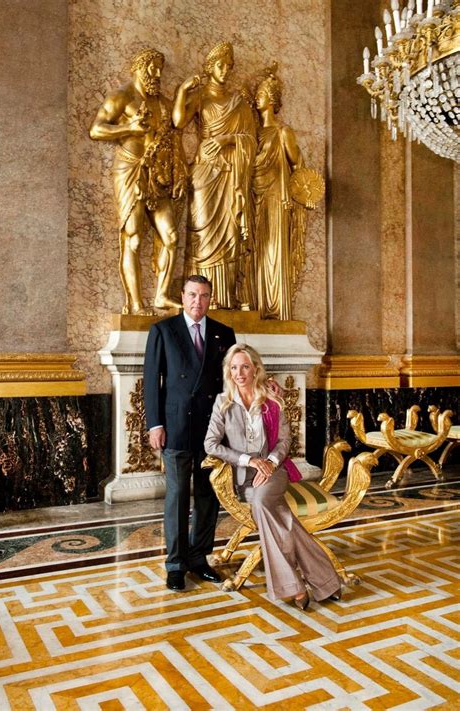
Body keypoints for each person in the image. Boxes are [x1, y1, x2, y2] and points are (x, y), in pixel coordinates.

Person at [204, 344, 341, 608]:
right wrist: (249, 461)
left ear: (255, 368)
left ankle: (295, 588)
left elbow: (284, 440)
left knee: (261, 502)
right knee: (281, 517)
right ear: (228, 371)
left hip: (275, 472)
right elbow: (211, 444)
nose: (239, 373)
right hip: (245, 476)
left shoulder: (270, 399)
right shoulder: (224, 402)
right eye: (234, 368)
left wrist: (268, 461)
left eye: (245, 366)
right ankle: (326, 580)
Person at [144, 275, 236, 591]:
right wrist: (155, 424)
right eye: (193, 295)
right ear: (182, 297)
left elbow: (233, 381)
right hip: (177, 428)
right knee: (179, 497)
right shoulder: (163, 331)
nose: (198, 302)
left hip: (212, 430)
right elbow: (151, 381)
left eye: (205, 296)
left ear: (211, 299)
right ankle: (175, 564)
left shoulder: (225, 334)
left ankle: (199, 559)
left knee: (209, 497)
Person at [90, 48, 186, 314]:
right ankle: (134, 303)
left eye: (159, 69)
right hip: (130, 170)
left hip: (159, 176)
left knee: (171, 236)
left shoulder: (163, 104)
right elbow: (96, 129)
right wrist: (128, 129)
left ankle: (161, 295)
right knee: (133, 238)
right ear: (139, 68)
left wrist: (180, 175)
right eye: (152, 68)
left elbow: (174, 141)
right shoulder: (122, 97)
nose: (156, 74)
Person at [172, 41, 257, 310]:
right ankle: (197, 298)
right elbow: (178, 122)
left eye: (228, 66)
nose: (224, 71)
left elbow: (251, 140)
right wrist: (181, 91)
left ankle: (225, 297)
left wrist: (226, 140)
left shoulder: (237, 102)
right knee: (202, 229)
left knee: (229, 230)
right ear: (210, 68)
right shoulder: (201, 97)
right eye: (220, 65)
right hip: (205, 171)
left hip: (230, 174)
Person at [252, 65, 307, 320]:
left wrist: (301, 195)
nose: (257, 98)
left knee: (275, 251)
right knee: (257, 251)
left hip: (276, 197)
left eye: (261, 94)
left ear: (272, 99)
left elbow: (297, 164)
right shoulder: (253, 134)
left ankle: (276, 309)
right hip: (255, 196)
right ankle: (257, 305)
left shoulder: (282, 132)